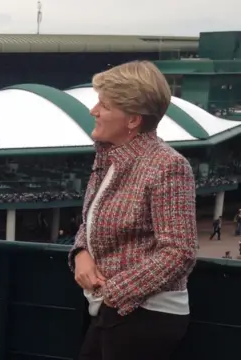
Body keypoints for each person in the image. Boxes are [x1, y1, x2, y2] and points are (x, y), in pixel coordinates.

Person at [68, 60, 198, 360]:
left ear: (132, 120)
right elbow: (91, 220)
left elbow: (180, 250)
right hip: (113, 312)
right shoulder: (107, 157)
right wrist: (80, 253)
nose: (94, 111)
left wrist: (114, 293)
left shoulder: (168, 166)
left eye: (105, 105)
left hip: (147, 316)